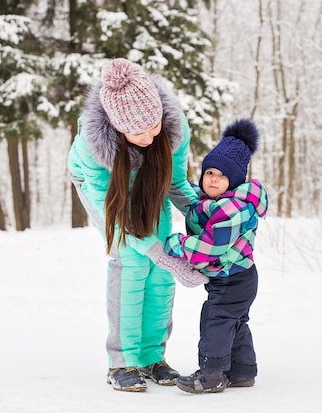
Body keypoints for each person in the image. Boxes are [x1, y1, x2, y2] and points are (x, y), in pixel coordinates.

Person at [67, 58, 208, 393]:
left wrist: (206, 222)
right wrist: (158, 253)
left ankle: (152, 356)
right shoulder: (93, 147)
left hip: (147, 180)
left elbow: (174, 183)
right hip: (104, 188)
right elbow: (116, 216)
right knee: (133, 261)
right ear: (118, 128)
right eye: (137, 131)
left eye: (153, 126)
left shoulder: (173, 129)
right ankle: (122, 361)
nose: (148, 136)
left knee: (161, 269)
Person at [164, 118, 268, 394]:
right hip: (237, 276)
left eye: (221, 176)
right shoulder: (216, 202)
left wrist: (178, 244)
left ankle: (211, 374)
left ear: (232, 182)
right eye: (209, 172)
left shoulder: (234, 210)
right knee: (235, 321)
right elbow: (197, 199)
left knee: (216, 320)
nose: (213, 179)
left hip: (234, 279)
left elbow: (212, 246)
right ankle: (243, 370)